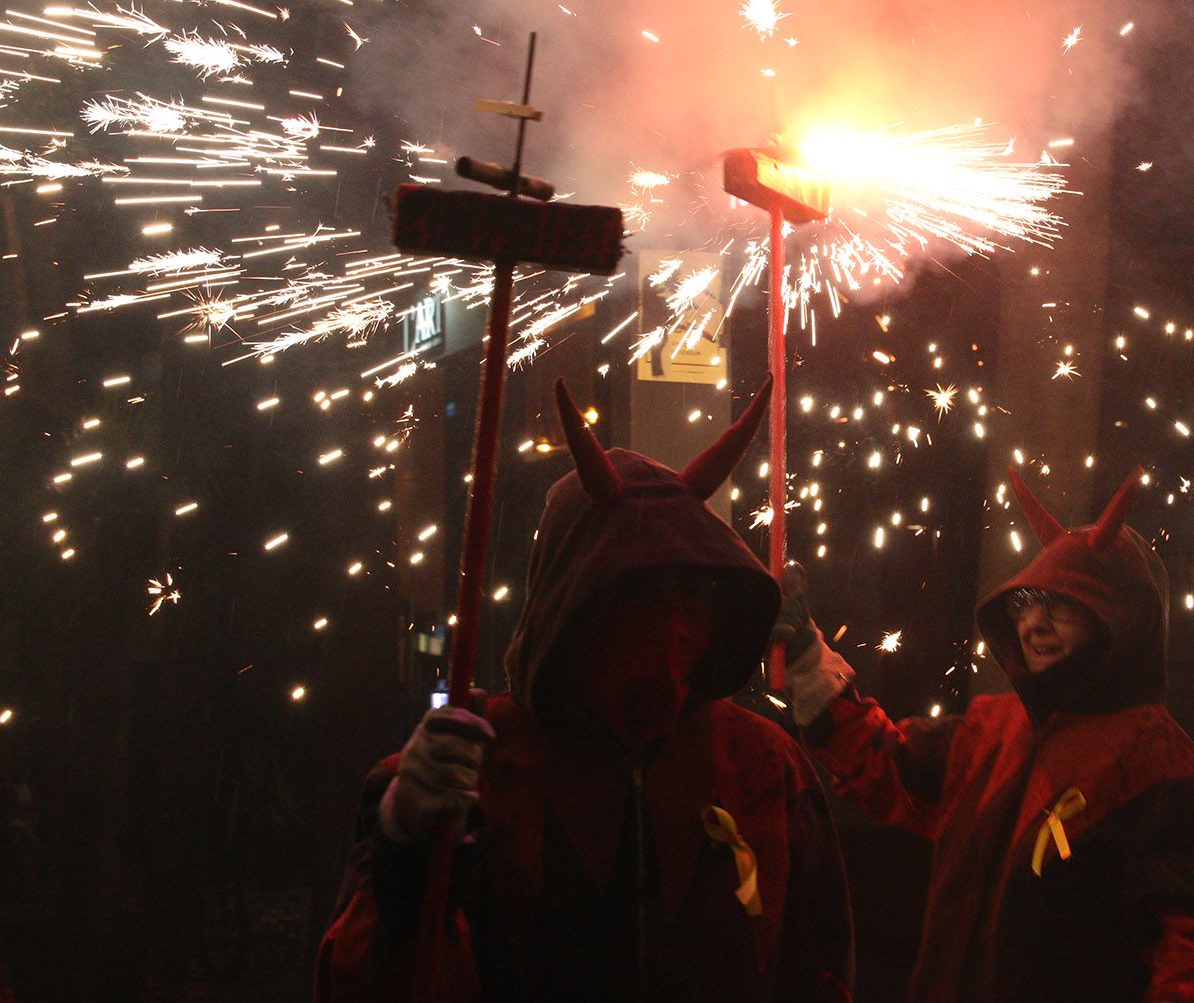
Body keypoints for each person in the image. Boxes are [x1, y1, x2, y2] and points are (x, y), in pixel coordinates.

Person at [316, 377, 853, 1002]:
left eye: (693, 596)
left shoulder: (765, 765)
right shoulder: (470, 771)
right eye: (643, 597)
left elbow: (819, 971)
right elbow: (366, 985)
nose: (675, 626)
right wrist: (405, 847)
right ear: (575, 605)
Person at [781, 467, 1194, 1002]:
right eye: (1025, 603)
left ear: (1121, 618)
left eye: (1064, 603)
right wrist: (806, 656)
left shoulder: (1167, 774)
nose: (1034, 624)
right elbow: (884, 763)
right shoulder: (992, 731)